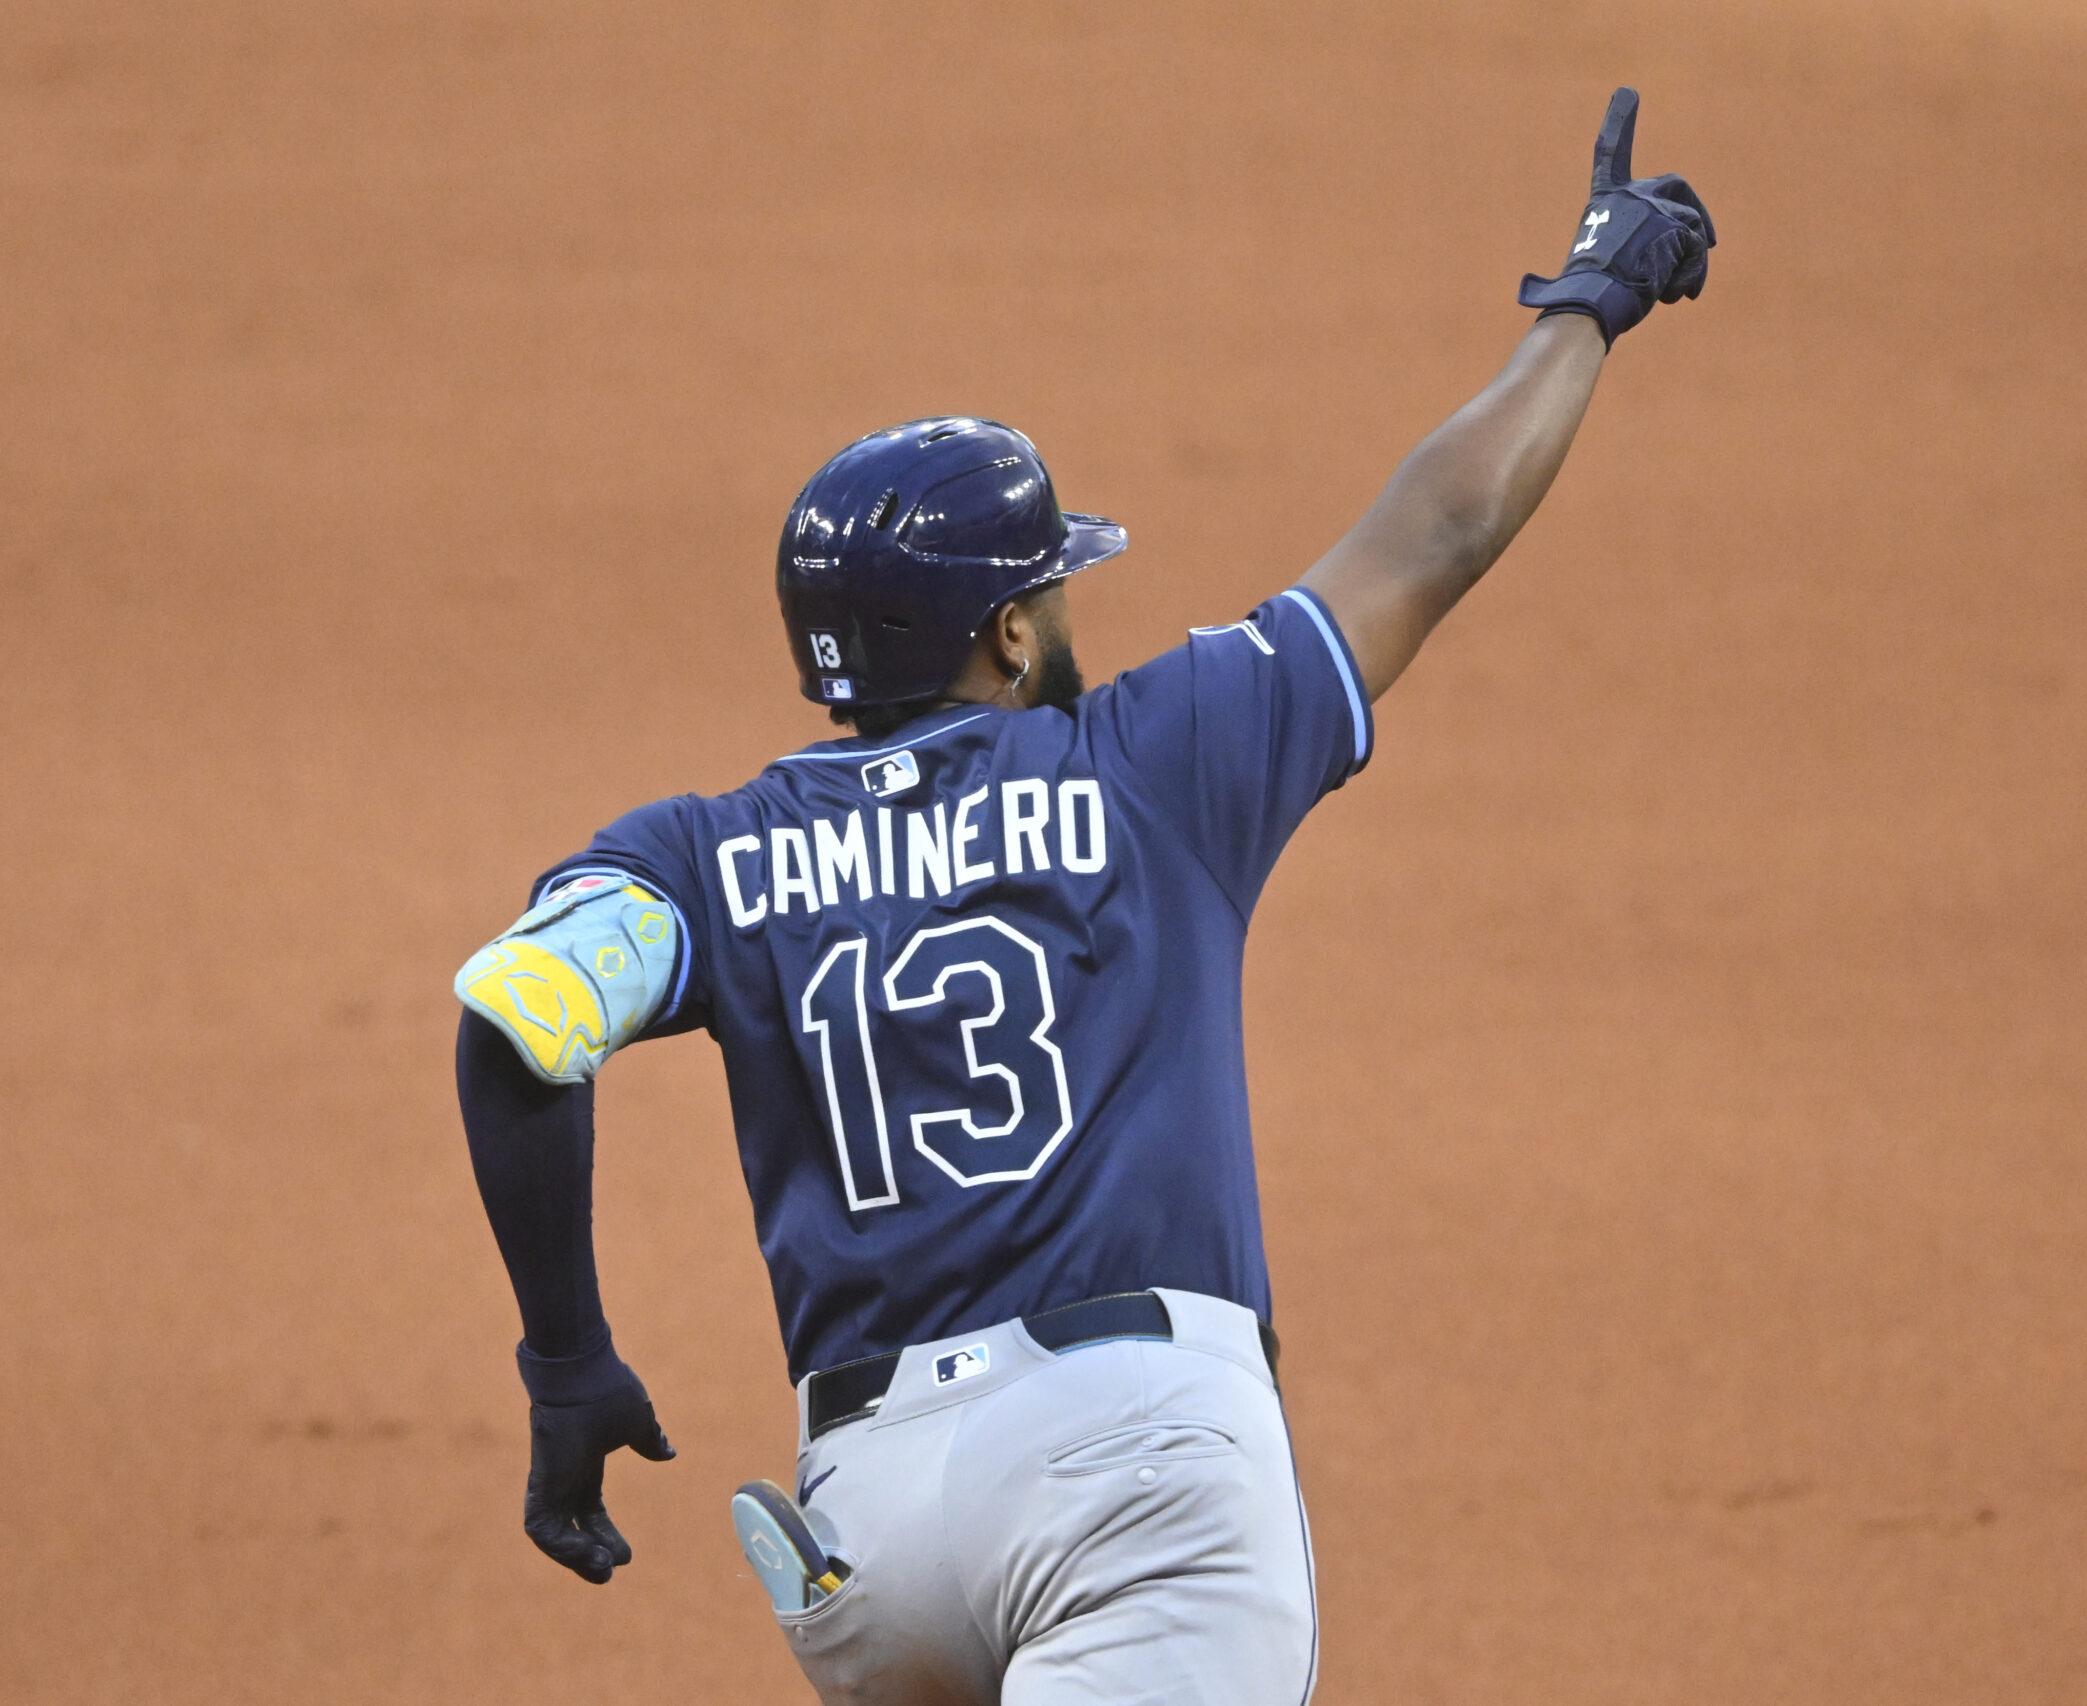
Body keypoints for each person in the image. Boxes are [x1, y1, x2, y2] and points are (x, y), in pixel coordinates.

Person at [453, 86, 1709, 1705]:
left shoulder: (702, 854)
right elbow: (1438, 528)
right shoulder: (1152, 762)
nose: (1065, 612)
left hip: (871, 1536)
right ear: (1005, 640)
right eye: (1052, 585)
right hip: (1134, 1483)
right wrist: (1590, 305)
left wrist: (566, 1360)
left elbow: (518, 1018)